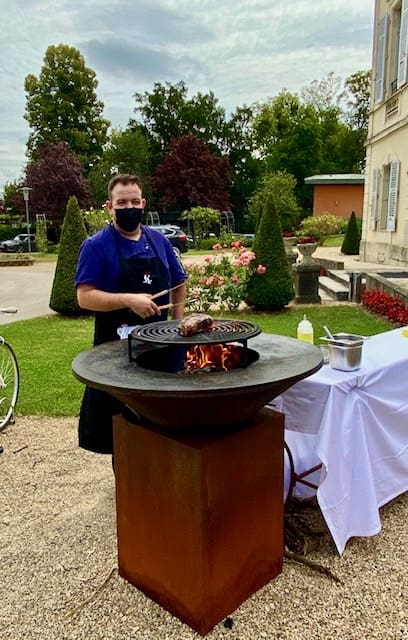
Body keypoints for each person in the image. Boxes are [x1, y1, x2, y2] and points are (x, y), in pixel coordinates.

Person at [75, 173, 187, 454]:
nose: (129, 208)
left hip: (159, 351)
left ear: (143, 203)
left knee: (164, 432)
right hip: (116, 356)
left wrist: (178, 323)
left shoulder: (159, 241)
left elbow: (179, 282)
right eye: (122, 203)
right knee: (123, 439)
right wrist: (128, 300)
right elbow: (84, 297)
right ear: (109, 207)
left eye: (135, 202)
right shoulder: (95, 246)